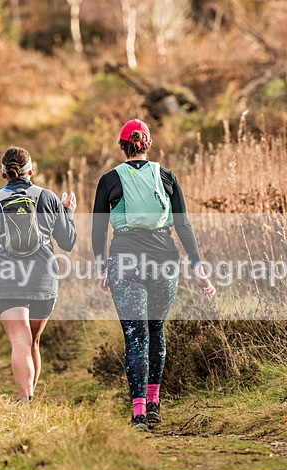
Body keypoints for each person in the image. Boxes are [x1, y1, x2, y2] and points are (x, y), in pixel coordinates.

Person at [92, 118, 215, 431]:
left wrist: (102, 267)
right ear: (147, 145)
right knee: (156, 329)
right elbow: (183, 225)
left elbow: (96, 230)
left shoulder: (109, 179)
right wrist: (198, 266)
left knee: (136, 335)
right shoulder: (167, 176)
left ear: (122, 147)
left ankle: (138, 413)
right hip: (164, 263)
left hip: (125, 262)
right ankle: (154, 402)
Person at [0, 146, 77, 404]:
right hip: (43, 278)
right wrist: (68, 212)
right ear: (31, 171)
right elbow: (69, 242)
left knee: (20, 340)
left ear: (3, 174)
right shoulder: (49, 198)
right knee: (33, 343)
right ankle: (29, 400)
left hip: (7, 279)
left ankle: (25, 400)